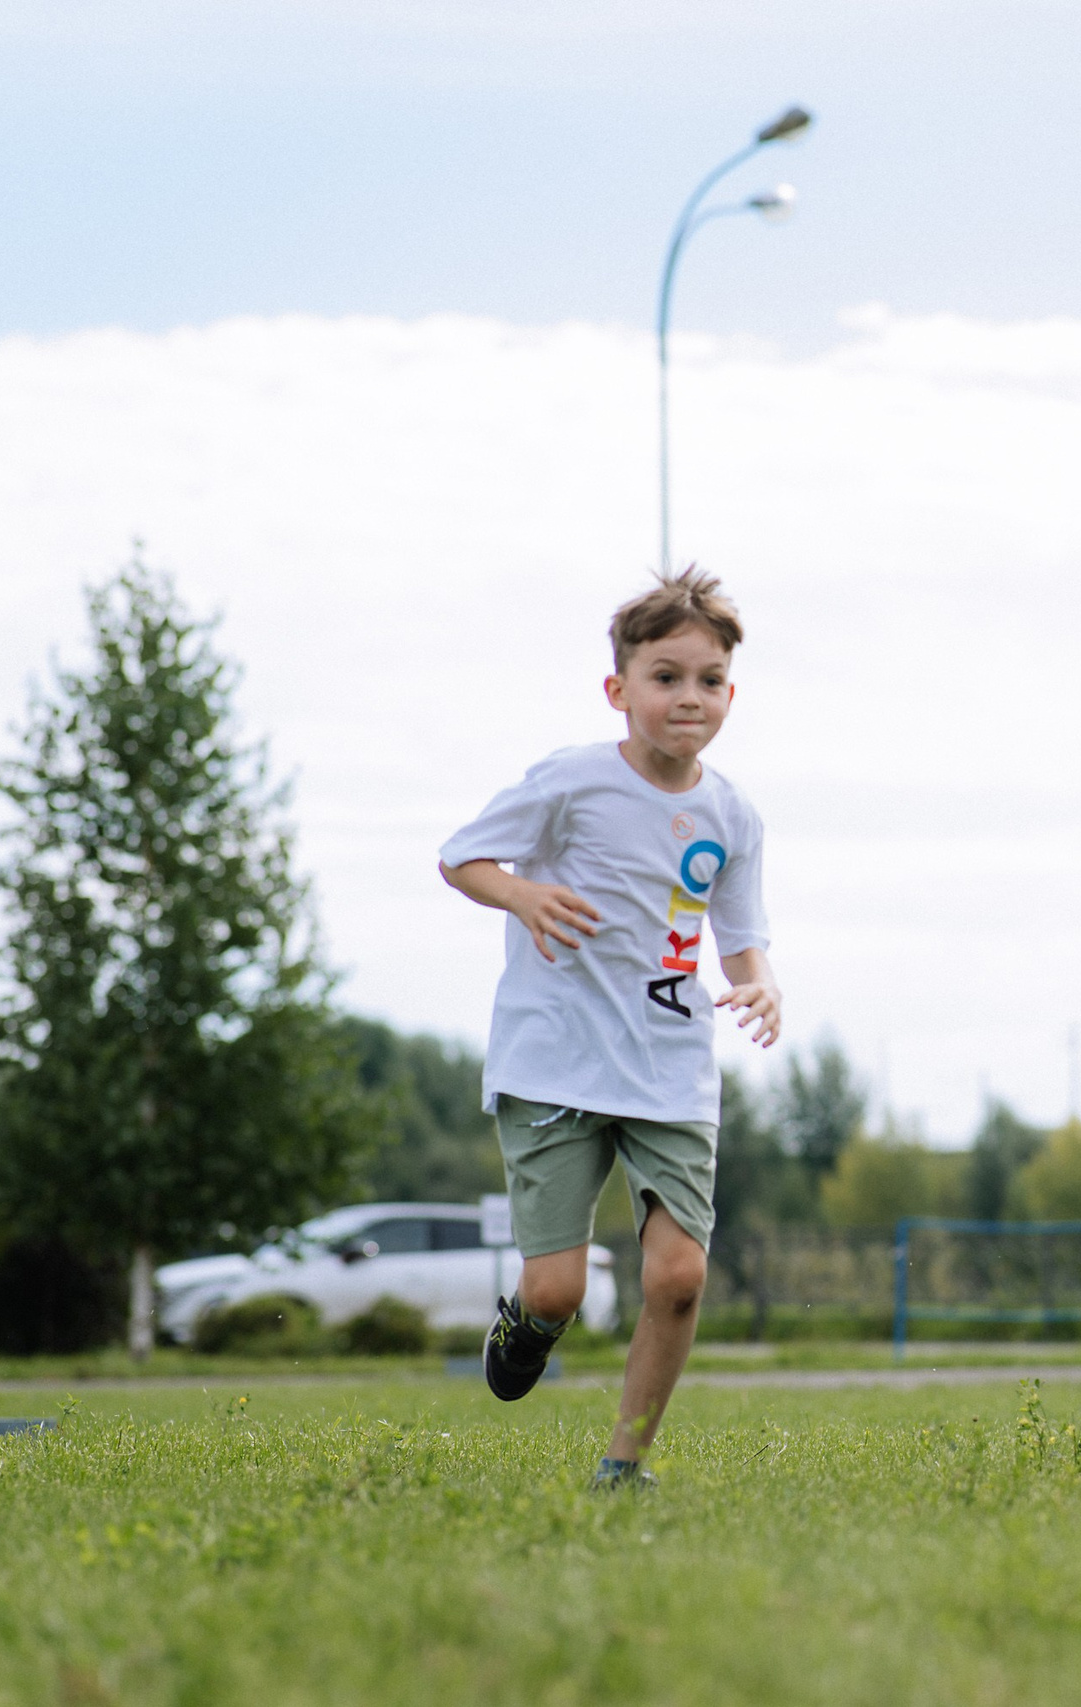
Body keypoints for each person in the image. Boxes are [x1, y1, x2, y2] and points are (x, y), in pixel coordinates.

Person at [438, 568, 781, 1490]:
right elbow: (460, 854)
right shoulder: (572, 781)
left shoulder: (733, 815)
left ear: (730, 695)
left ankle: (622, 1469)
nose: (688, 697)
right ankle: (525, 1324)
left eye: (708, 680)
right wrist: (522, 891)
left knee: (678, 1276)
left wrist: (761, 987)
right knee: (558, 1288)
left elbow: (741, 940)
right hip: (555, 1060)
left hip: (670, 1069)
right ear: (618, 688)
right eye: (665, 676)